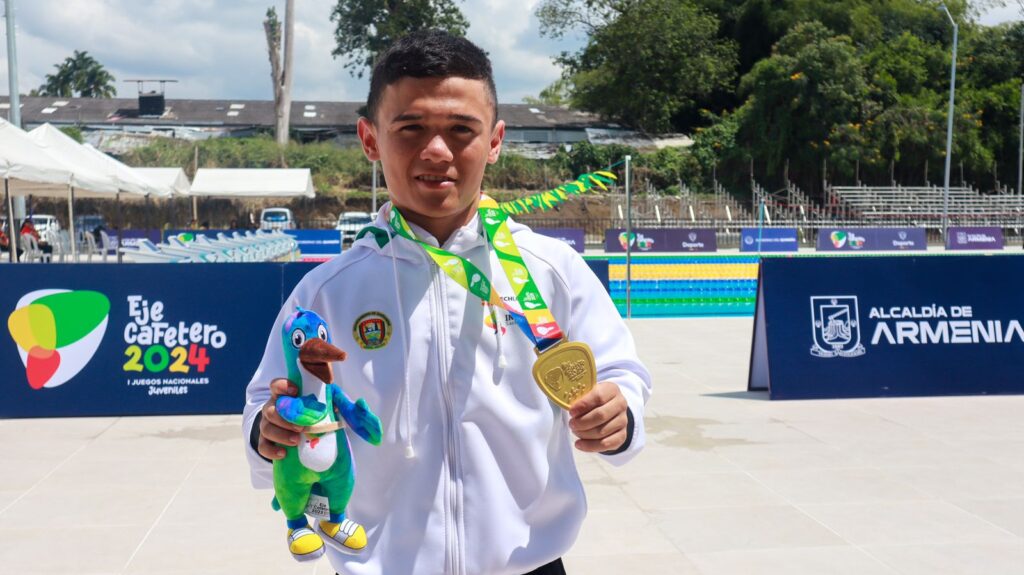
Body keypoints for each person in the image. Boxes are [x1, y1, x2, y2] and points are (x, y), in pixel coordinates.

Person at [243, 30, 651, 575]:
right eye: (410, 128)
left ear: (496, 140)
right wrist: (267, 430)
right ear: (370, 139)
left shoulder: (550, 268)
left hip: (528, 566)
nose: (437, 151)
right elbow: (262, 406)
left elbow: (622, 372)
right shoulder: (328, 292)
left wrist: (618, 412)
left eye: (462, 130)